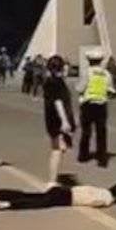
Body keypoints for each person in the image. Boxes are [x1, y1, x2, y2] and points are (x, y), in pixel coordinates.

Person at [0, 182, 116, 213]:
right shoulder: (106, 199)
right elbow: (95, 203)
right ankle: (6, 204)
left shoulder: (100, 188)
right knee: (37, 203)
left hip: (65, 190)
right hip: (68, 199)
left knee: (32, 195)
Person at [76, 48, 114, 167]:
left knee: (86, 131)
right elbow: (111, 90)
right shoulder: (107, 74)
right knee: (101, 132)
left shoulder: (87, 72)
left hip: (88, 104)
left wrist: (79, 90)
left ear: (89, 61)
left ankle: (83, 155)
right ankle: (102, 159)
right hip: (101, 105)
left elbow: (81, 88)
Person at [42, 55, 76, 185]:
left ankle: (53, 179)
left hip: (52, 118)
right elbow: (58, 102)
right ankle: (52, 181)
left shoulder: (51, 81)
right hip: (56, 120)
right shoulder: (55, 82)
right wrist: (64, 121)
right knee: (57, 150)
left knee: (60, 148)